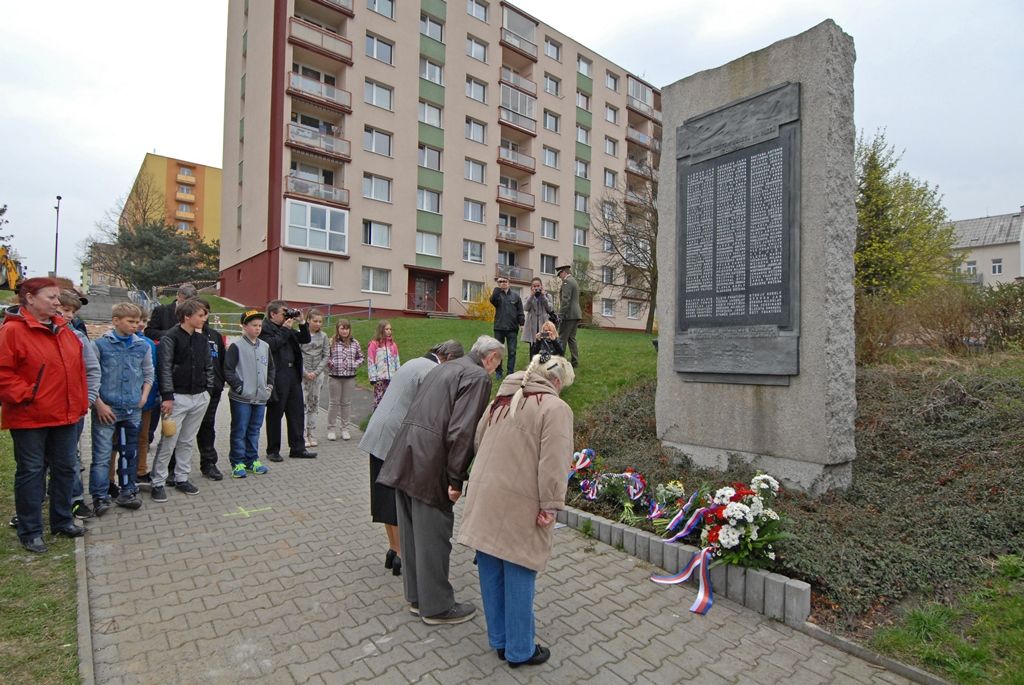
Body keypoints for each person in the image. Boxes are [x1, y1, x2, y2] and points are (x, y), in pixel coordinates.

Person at [457, 354, 575, 668]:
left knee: (491, 566)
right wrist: (550, 505)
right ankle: (520, 649)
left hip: (485, 492)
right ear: (557, 382)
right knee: (520, 566)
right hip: (520, 498)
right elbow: (554, 462)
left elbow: (479, 439)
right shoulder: (555, 408)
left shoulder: (502, 398)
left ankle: (499, 640)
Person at [377, 335, 504, 625]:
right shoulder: (477, 377)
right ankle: (436, 607)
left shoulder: (444, 367)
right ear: (492, 357)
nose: (495, 370)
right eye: (497, 363)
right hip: (429, 463)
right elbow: (462, 431)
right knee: (433, 536)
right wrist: (456, 479)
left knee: (410, 533)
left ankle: (417, 598)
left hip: (405, 454)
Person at [359, 340, 465, 578]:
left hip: (380, 429)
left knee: (383, 495)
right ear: (447, 357)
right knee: (393, 497)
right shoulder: (432, 371)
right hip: (394, 435)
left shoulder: (414, 362)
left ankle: (393, 548)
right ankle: (400, 555)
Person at [0, 277, 88, 553]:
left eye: (57, 298)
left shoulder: (64, 328)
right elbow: (4, 373)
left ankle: (61, 520)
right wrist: (27, 395)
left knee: (65, 469)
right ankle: (30, 530)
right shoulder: (12, 331)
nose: (57, 302)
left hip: (64, 414)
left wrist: (80, 401)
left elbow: (77, 369)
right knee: (31, 472)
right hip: (31, 417)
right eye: (50, 297)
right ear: (30, 298)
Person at [90, 303, 154, 513]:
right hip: (107, 409)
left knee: (129, 453)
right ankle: (100, 496)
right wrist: (98, 404)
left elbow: (148, 373)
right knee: (102, 455)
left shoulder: (142, 346)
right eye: (130, 321)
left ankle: (128, 490)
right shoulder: (100, 345)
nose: (135, 325)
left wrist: (143, 397)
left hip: (132, 409)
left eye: (138, 322)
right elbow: (91, 377)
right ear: (116, 321)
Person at [149, 299, 213, 503]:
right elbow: (164, 368)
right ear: (188, 316)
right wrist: (168, 396)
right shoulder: (171, 337)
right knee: (169, 440)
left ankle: (181, 477)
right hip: (176, 398)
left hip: (199, 396)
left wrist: (208, 391)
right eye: (201, 315)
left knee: (187, 440)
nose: (204, 319)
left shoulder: (202, 339)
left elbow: (208, 366)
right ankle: (158, 481)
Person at [56, 290, 101, 520]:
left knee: (70, 457)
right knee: (34, 465)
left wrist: (88, 399)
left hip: (73, 408)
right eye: (64, 309)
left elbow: (92, 371)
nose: (67, 315)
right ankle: (34, 504)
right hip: (39, 410)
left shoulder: (79, 337)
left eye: (71, 312)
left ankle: (74, 500)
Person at [259, 301, 316, 461]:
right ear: (272, 314)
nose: (286, 316)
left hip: (293, 374)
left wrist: (302, 322)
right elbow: (271, 346)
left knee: (296, 412)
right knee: (275, 414)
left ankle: (298, 448)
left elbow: (304, 339)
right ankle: (273, 450)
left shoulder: (287, 327)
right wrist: (285, 329)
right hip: (277, 375)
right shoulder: (264, 328)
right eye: (284, 313)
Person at [224, 310, 275, 479]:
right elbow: (228, 370)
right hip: (241, 398)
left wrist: (269, 387)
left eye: (260, 325)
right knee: (240, 430)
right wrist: (239, 387)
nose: (258, 328)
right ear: (244, 326)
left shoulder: (265, 346)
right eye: (254, 325)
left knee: (254, 430)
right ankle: (237, 462)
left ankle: (252, 460)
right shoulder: (236, 346)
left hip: (260, 397)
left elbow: (271, 369)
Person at [194, 300, 227, 480]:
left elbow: (222, 361)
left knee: (208, 427)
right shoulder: (182, 335)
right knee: (182, 431)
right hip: (190, 390)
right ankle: (172, 468)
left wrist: (219, 383)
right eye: (200, 313)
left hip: (213, 390)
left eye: (206, 313)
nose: (203, 317)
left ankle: (209, 463)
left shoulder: (215, 336)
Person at [326, 319, 364, 441]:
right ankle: (331, 428)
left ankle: (345, 429)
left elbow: (361, 357)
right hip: (335, 377)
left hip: (349, 377)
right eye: (342, 328)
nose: (345, 331)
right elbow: (326, 356)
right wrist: (331, 364)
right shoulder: (331, 342)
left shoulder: (355, 343)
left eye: (347, 328)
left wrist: (355, 364)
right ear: (338, 329)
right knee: (334, 403)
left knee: (346, 403)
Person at [134, 312, 161, 488]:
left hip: (147, 399)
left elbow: (154, 372)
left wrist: (155, 395)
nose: (140, 324)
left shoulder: (150, 343)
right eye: (136, 321)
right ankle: (110, 479)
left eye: (143, 321)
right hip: (123, 402)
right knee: (115, 442)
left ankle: (140, 471)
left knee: (143, 438)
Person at [299, 309, 329, 447]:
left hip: (317, 375)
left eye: (320, 321)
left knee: (314, 404)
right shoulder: (300, 334)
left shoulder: (323, 336)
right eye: (315, 321)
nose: (318, 324)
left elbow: (326, 355)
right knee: (303, 404)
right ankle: (303, 435)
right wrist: (305, 372)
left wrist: (316, 372)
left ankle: (312, 433)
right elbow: (297, 354)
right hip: (303, 374)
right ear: (308, 320)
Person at [490, 277, 524, 380]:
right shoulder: (497, 296)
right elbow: (492, 300)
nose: (503, 283)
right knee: (498, 351)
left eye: (505, 281)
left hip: (512, 329)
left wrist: (522, 324)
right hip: (499, 328)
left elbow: (520, 312)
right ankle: (498, 371)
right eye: (500, 282)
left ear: (509, 283)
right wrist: (497, 288)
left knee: (512, 351)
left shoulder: (516, 297)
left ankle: (510, 372)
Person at [367, 320, 399, 409]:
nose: (389, 331)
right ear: (381, 330)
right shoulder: (374, 345)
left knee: (390, 401)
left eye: (390, 329)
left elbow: (397, 361)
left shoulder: (393, 345)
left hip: (391, 378)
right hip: (379, 379)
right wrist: (373, 377)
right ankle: (376, 420)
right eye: (386, 329)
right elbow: (371, 361)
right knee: (379, 401)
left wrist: (398, 375)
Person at [555, 262, 582, 367]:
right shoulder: (574, 281)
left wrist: (560, 314)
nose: (560, 277)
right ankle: (575, 361)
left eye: (560, 274)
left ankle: (559, 361)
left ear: (564, 272)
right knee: (571, 338)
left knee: (562, 338)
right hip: (575, 314)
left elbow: (565, 300)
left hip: (568, 315)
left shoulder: (567, 282)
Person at [522, 277, 555, 357]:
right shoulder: (528, 297)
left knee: (544, 346)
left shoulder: (548, 296)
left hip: (544, 325)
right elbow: (525, 308)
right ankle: (533, 365)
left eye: (538, 286)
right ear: (531, 287)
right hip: (532, 326)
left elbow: (550, 309)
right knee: (533, 347)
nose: (536, 288)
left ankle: (543, 366)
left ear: (541, 286)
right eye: (534, 286)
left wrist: (543, 297)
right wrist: (531, 296)